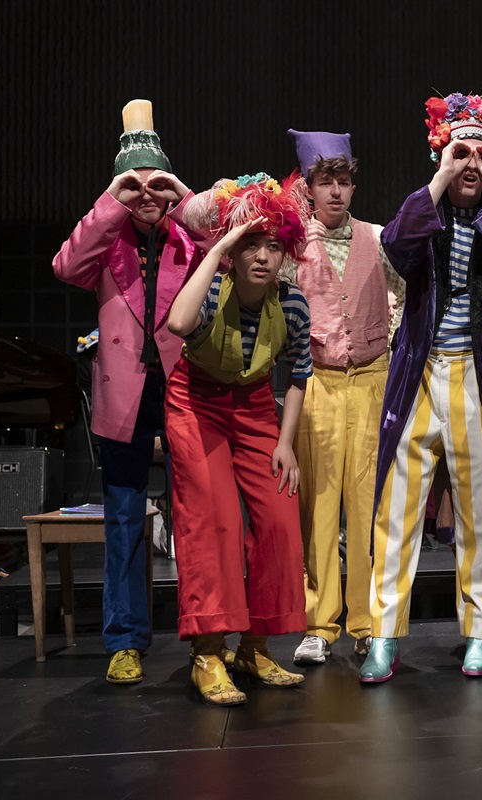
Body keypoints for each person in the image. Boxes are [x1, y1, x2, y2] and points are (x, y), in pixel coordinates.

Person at [361, 82, 482, 683]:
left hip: (473, 379)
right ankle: (383, 635)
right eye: (461, 153)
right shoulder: (425, 216)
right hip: (418, 376)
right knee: (397, 515)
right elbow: (395, 243)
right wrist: (441, 176)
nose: (472, 165)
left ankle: (480, 633)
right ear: (441, 156)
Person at [52, 100, 202, 685]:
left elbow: (230, 243)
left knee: (195, 518)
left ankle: (204, 635)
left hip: (184, 391)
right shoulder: (106, 242)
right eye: (133, 186)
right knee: (123, 519)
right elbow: (66, 266)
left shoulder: (187, 238)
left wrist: (182, 196)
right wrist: (112, 200)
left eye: (154, 184)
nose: (146, 195)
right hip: (124, 399)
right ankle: (125, 641)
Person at [165, 172, 312, 706]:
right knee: (216, 520)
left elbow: (298, 374)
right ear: (233, 248)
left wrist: (285, 443)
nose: (263, 256)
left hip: (254, 409)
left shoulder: (293, 304)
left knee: (279, 519)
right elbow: (178, 324)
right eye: (251, 243)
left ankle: (255, 647)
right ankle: (208, 652)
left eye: (273, 245)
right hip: (196, 403)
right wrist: (219, 248)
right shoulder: (211, 289)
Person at [286, 130, 405, 665]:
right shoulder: (292, 244)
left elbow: (404, 289)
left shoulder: (377, 238)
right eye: (325, 181)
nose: (335, 191)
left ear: (353, 186)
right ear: (309, 188)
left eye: (343, 181)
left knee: (368, 508)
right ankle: (318, 623)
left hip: (373, 379)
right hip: (319, 381)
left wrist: (388, 331)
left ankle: (367, 622)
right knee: (318, 506)